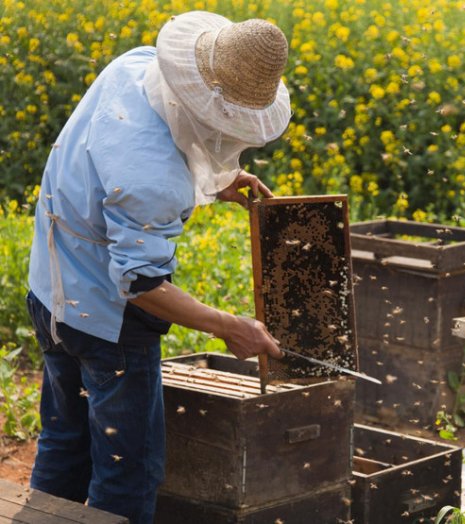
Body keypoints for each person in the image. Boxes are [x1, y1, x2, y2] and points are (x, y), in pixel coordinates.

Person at [26, 11, 289, 523]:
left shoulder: (136, 67)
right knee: (128, 471)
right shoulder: (152, 181)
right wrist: (228, 326)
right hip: (104, 323)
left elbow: (121, 161)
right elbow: (142, 285)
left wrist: (216, 182)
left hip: (48, 292)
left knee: (65, 442)